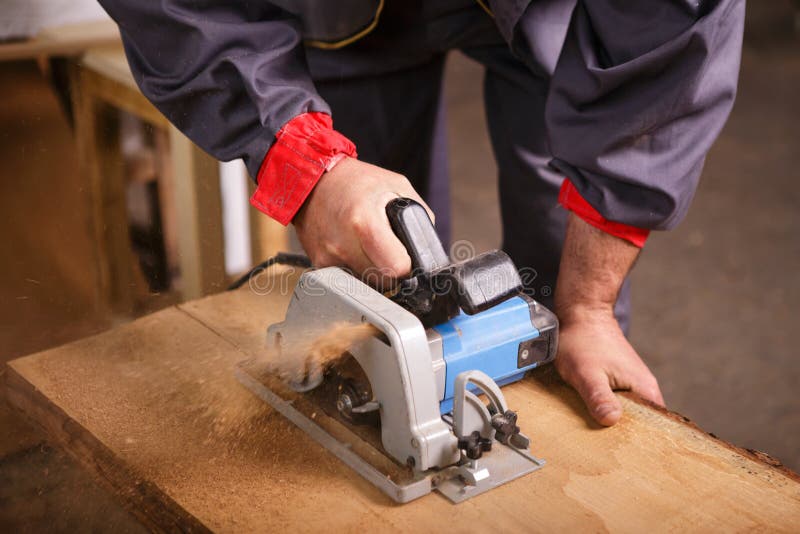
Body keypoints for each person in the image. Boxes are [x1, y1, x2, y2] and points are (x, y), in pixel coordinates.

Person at [98, 0, 745, 426]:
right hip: (334, 18)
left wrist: (588, 306)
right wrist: (307, 164)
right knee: (375, 278)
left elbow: (672, 25)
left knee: (556, 319)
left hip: (552, 13)